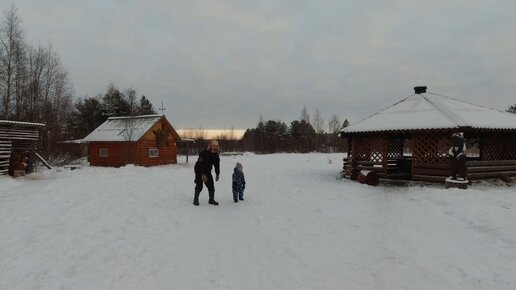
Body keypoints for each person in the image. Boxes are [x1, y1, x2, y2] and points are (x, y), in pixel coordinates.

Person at [193, 140, 220, 206]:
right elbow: (200, 164)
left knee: (211, 184)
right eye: (213, 145)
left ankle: (211, 200)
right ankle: (195, 200)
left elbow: (217, 165)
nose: (214, 147)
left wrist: (217, 174)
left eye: (216, 146)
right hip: (199, 170)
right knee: (199, 185)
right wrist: (202, 174)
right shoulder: (203, 153)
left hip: (207, 171)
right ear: (210, 146)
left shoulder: (216, 155)